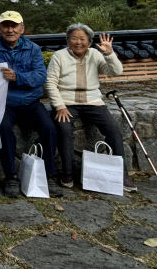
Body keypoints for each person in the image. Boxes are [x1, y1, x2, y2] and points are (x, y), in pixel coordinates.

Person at [0, 11, 62, 198]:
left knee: (50, 128)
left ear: (22, 28)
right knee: (3, 129)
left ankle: (50, 175)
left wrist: (18, 77)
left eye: (14, 25)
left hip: (30, 102)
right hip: (4, 103)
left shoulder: (33, 48)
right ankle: (11, 176)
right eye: (6, 25)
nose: (10, 29)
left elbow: (40, 76)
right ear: (0, 28)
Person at [44, 23, 136, 192]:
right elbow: (50, 83)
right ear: (67, 40)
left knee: (113, 130)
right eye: (73, 38)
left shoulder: (95, 54)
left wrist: (109, 54)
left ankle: (122, 175)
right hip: (68, 102)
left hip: (93, 101)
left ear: (89, 41)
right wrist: (59, 106)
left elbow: (116, 71)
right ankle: (67, 173)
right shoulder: (59, 56)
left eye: (82, 38)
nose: (78, 42)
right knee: (64, 129)